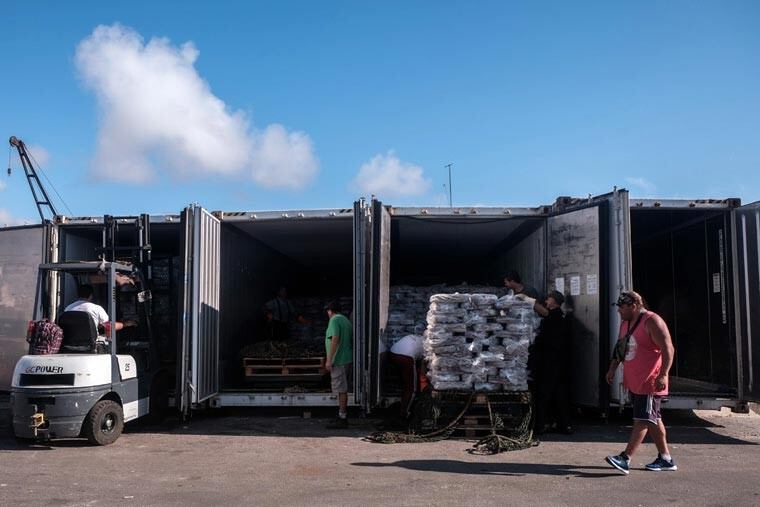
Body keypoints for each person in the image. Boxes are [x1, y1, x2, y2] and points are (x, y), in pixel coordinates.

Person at [604, 291, 677, 475]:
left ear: (634, 306)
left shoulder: (652, 321)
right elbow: (620, 349)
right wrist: (613, 368)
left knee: (642, 419)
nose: (619, 311)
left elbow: (668, 349)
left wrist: (663, 375)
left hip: (649, 381)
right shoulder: (625, 323)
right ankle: (666, 459)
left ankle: (625, 458)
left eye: (622, 307)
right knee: (654, 419)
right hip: (635, 381)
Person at [529, 290, 572, 435]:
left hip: (550, 362)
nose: (546, 301)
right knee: (558, 394)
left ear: (554, 301)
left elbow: (544, 312)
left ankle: (541, 424)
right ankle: (563, 424)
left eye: (548, 299)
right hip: (557, 362)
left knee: (544, 394)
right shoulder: (560, 316)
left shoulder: (555, 315)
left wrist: (529, 301)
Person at [64, 284, 137, 348]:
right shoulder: (96, 308)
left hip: (70, 344)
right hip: (90, 344)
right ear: (91, 296)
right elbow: (109, 326)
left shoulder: (68, 308)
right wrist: (125, 324)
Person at [324, 300, 353, 429]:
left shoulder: (334, 320)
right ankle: (342, 416)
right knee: (343, 390)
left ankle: (342, 418)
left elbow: (335, 339)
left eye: (327, 311)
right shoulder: (346, 320)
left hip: (339, 360)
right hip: (346, 359)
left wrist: (329, 360)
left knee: (341, 390)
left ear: (330, 311)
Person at [388, 334, 426, 423]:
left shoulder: (417, 338)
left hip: (392, 353)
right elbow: (423, 370)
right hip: (406, 357)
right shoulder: (429, 347)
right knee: (411, 388)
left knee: (406, 380)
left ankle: (403, 403)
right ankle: (404, 413)